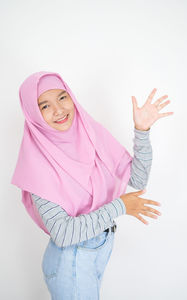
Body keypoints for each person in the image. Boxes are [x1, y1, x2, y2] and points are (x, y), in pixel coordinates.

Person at [11, 71, 173, 299]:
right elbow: (63, 234)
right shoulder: (36, 165)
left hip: (98, 250)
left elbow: (137, 179)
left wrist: (142, 131)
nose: (59, 110)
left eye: (62, 97)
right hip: (72, 261)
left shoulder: (90, 134)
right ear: (33, 114)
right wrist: (120, 207)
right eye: (44, 106)